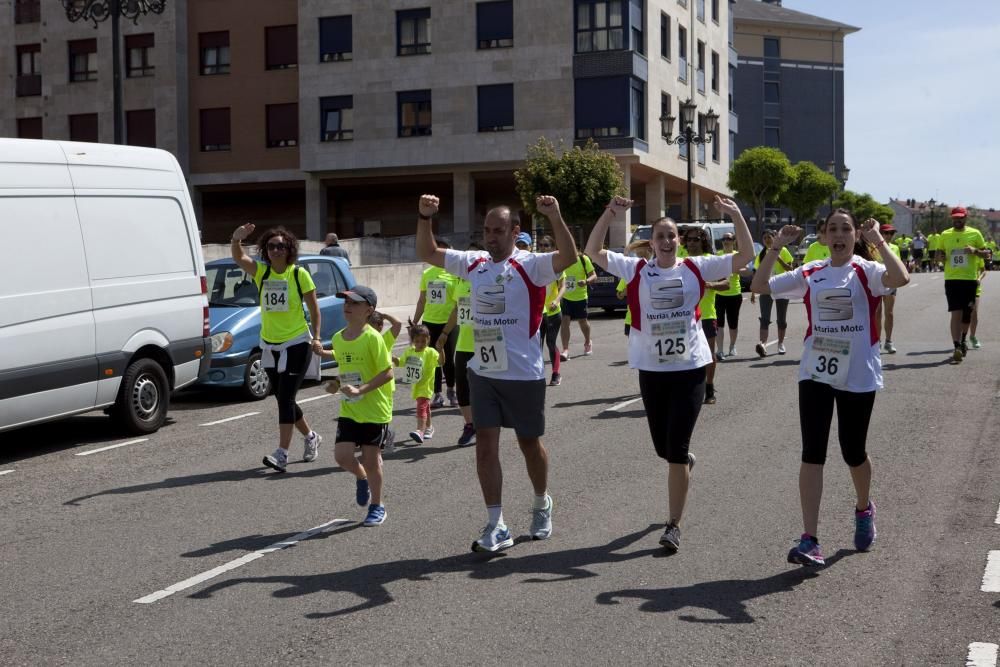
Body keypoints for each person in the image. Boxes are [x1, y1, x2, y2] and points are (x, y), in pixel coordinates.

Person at [585, 195, 755, 552]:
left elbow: (745, 256)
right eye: (660, 236)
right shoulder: (635, 269)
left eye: (671, 235)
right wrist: (610, 213)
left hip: (691, 367)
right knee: (664, 449)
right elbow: (593, 251)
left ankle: (673, 524)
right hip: (652, 369)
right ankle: (683, 460)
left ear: (679, 240)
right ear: (652, 242)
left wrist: (736, 213)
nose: (666, 241)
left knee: (676, 450)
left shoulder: (696, 267)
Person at [416, 193, 577, 553]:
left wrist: (555, 215)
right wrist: (425, 217)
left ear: (514, 231)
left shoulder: (531, 265)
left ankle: (541, 501)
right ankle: (496, 523)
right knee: (485, 447)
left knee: (529, 445)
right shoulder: (473, 263)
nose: (491, 237)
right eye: (487, 230)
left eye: (499, 230)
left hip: (523, 374)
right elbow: (428, 253)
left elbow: (569, 258)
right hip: (483, 371)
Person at [751, 210, 909, 567]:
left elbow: (901, 277)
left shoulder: (866, 271)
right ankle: (810, 539)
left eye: (846, 229)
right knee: (813, 452)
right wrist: (775, 248)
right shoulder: (811, 272)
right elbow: (759, 286)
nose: (839, 235)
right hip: (816, 371)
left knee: (853, 450)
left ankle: (864, 507)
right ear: (823, 236)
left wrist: (878, 242)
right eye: (832, 229)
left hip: (858, 374)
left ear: (855, 235)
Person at [230, 223, 323, 473]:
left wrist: (316, 337)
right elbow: (239, 257)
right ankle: (311, 436)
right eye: (272, 246)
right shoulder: (262, 272)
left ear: (289, 248)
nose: (276, 250)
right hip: (269, 344)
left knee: (286, 398)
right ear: (266, 250)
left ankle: (281, 454)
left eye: (281, 245)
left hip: (297, 342)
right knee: (283, 398)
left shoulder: (298, 274)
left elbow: (314, 309)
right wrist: (236, 239)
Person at [314, 285, 395, 526]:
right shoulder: (339, 338)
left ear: (369, 310)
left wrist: (361, 390)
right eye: (346, 302)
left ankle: (377, 506)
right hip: (350, 407)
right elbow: (347, 370)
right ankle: (361, 479)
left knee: (372, 461)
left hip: (374, 409)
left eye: (354, 303)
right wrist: (335, 383)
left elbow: (388, 373)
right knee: (342, 456)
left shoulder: (373, 338)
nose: (347, 307)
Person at [684, 227, 731, 404]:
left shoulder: (711, 261)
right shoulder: (681, 260)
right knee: (685, 355)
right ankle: (690, 389)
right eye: (688, 239)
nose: (691, 243)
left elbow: (726, 284)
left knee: (708, 355)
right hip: (685, 317)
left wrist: (709, 284)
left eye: (695, 239)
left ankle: (709, 387)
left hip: (707, 315)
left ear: (703, 241)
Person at [939, 206, 989, 362]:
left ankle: (963, 339)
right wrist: (940, 257)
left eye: (960, 217)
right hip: (952, 279)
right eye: (955, 218)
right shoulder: (945, 235)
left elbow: (987, 253)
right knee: (955, 313)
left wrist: (975, 251)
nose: (957, 220)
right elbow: (938, 254)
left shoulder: (975, 233)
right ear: (952, 218)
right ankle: (956, 346)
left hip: (969, 280)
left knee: (967, 314)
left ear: (965, 218)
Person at [413, 240, 459, 407]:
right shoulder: (427, 274)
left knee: (448, 359)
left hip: (449, 323)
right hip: (430, 322)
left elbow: (458, 302)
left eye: (444, 252)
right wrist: (415, 321)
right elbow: (422, 300)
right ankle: (437, 394)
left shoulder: (455, 274)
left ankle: (452, 391)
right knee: (433, 360)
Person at [436, 263, 477, 447]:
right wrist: (444, 333)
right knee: (462, 388)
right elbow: (457, 309)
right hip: (464, 343)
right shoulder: (460, 281)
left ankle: (488, 424)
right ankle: (470, 425)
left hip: (488, 342)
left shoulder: (490, 280)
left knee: (487, 388)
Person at [751, 229, 794, 357]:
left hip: (781, 287)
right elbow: (757, 273)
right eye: (764, 238)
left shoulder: (784, 250)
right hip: (766, 288)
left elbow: (790, 269)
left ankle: (780, 344)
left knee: (781, 318)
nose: (767, 240)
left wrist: (777, 257)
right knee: (764, 318)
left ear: (774, 238)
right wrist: (753, 292)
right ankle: (763, 344)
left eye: (769, 237)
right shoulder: (762, 254)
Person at [397, 323, 440, 444]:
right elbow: (401, 362)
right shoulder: (410, 351)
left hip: (426, 386)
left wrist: (441, 350)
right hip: (416, 385)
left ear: (428, 339)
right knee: (426, 408)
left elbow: (441, 362)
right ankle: (429, 428)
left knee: (421, 407)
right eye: (417, 341)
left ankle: (420, 431)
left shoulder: (431, 352)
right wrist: (394, 360)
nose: (420, 344)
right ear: (412, 341)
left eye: (423, 341)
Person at [369, 309, 403, 452]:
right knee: (371, 415)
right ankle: (383, 436)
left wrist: (384, 315)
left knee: (383, 416)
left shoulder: (385, 340)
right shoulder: (365, 340)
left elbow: (398, 324)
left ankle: (385, 437)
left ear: (379, 327)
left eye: (371, 326)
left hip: (386, 385)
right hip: (371, 383)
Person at [537, 235, 566, 386]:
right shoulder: (534, 265)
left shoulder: (557, 266)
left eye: (546, 245)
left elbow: (563, 286)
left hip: (553, 312)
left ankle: (556, 374)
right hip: (538, 313)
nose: (543, 248)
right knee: (536, 345)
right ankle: (538, 374)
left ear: (553, 248)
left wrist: (556, 300)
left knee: (550, 342)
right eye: (541, 245)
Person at [559, 251, 597, 360]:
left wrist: (586, 281)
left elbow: (594, 276)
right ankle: (565, 350)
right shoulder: (562, 259)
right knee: (565, 321)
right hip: (565, 297)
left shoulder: (583, 259)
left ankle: (587, 342)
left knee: (582, 321)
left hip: (580, 297)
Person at [872, 224, 901, 354]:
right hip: (877, 283)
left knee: (889, 313)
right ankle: (877, 341)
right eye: (886, 233)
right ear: (880, 234)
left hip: (891, 283)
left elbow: (898, 265)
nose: (889, 236)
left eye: (891, 233)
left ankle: (889, 341)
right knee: (877, 313)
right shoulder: (873, 248)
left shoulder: (895, 248)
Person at [714, 233, 744, 358]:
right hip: (719, 293)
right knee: (719, 323)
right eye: (724, 239)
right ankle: (720, 350)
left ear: (734, 241)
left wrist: (734, 269)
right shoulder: (717, 255)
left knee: (733, 322)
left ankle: (732, 346)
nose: (726, 241)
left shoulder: (737, 255)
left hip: (734, 293)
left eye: (729, 239)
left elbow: (745, 270)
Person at [970, 253, 986, 349]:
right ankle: (960, 339)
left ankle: (972, 336)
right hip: (961, 286)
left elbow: (984, 271)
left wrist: (979, 278)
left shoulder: (978, 255)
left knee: (974, 313)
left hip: (975, 288)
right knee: (961, 314)